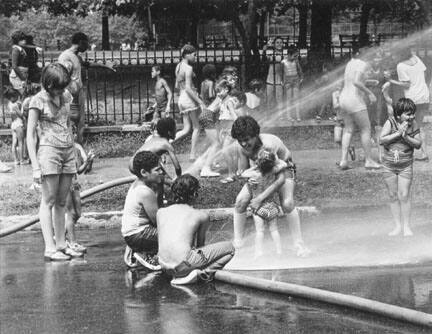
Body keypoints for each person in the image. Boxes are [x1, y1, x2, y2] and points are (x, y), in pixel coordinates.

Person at [27, 63, 83, 261]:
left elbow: (67, 124)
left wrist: (74, 151)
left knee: (62, 201)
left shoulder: (66, 96)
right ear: (48, 84)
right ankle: (49, 247)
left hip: (67, 150)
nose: (62, 91)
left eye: (63, 87)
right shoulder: (37, 101)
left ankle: (61, 243)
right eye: (58, 87)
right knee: (48, 200)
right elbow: (30, 135)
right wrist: (35, 167)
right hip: (49, 152)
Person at [230, 116, 309, 257]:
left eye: (247, 139)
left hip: (283, 168)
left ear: (255, 135)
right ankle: (238, 244)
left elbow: (277, 179)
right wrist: (246, 176)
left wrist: (259, 198)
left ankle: (299, 244)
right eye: (240, 140)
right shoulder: (241, 147)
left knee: (287, 203)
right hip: (260, 171)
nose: (243, 143)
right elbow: (243, 170)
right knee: (240, 201)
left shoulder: (268, 145)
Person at [157, 174, 235, 285]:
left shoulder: (161, 212)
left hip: (163, 265)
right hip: (182, 266)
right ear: (194, 194)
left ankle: (185, 273)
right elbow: (200, 246)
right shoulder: (200, 215)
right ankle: (204, 274)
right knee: (230, 248)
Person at [58, 32, 115, 144]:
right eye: (86, 43)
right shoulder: (65, 56)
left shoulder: (76, 56)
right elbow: (62, 76)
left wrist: (105, 65)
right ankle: (69, 145)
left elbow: (87, 64)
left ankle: (79, 145)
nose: (87, 46)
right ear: (80, 42)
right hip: (69, 95)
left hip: (78, 92)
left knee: (80, 121)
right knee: (70, 119)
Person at [379, 98, 421, 237]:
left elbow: (418, 144)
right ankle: (397, 226)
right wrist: (397, 133)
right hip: (389, 166)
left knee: (404, 195)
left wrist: (406, 137)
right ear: (398, 115)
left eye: (412, 113)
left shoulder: (413, 124)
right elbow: (381, 139)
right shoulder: (390, 122)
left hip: (405, 166)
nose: (412, 116)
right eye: (408, 114)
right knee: (393, 195)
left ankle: (407, 227)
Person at [338, 45, 381, 170]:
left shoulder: (350, 63)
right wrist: (370, 93)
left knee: (348, 129)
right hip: (354, 100)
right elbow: (356, 82)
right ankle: (369, 160)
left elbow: (352, 81)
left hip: (343, 99)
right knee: (365, 129)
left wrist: (369, 83)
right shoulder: (362, 64)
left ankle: (343, 161)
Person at [385, 47, 430, 162]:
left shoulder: (401, 66)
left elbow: (406, 85)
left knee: (404, 126)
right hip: (424, 96)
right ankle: (424, 154)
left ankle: (400, 152)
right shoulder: (416, 59)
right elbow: (423, 74)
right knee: (419, 126)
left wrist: (390, 80)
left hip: (412, 98)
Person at [122, 151, 164, 270]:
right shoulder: (145, 192)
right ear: (144, 172)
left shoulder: (137, 184)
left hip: (131, 234)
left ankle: (138, 250)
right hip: (138, 235)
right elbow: (158, 222)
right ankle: (146, 254)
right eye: (157, 170)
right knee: (175, 234)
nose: (161, 172)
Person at [241, 149, 285, 258]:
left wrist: (254, 167)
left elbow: (243, 174)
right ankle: (279, 251)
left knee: (259, 231)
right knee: (274, 229)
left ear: (258, 163)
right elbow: (283, 164)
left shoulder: (254, 175)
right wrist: (276, 161)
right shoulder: (273, 171)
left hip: (258, 207)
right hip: (271, 205)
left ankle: (258, 253)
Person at [129, 118, 181, 205]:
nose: (176, 131)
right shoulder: (166, 144)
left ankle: (153, 200)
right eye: (175, 129)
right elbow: (177, 166)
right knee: (159, 181)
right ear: (169, 132)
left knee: (159, 176)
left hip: (133, 162)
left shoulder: (154, 138)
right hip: (139, 165)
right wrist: (179, 178)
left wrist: (170, 181)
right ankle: (158, 207)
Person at [174, 44, 205, 161]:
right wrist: (200, 101)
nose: (195, 57)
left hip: (181, 98)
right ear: (187, 55)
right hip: (188, 98)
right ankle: (192, 154)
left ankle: (166, 143)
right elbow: (188, 88)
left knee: (186, 129)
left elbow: (178, 85)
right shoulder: (188, 68)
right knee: (197, 127)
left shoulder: (178, 67)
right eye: (194, 54)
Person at [65, 137, 95, 253]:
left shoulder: (75, 148)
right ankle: (72, 242)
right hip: (65, 183)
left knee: (78, 213)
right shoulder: (60, 149)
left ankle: (61, 236)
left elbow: (79, 170)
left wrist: (88, 161)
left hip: (75, 183)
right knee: (71, 213)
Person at [4, 86, 27, 165]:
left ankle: (15, 160)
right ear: (12, 97)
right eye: (16, 97)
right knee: (21, 142)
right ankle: (21, 160)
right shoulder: (15, 105)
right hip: (18, 124)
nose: (18, 98)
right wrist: (23, 115)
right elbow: (20, 115)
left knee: (14, 143)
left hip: (13, 124)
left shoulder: (9, 104)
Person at [282, 46, 303, 121]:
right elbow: (282, 72)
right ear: (289, 54)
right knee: (288, 99)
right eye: (294, 56)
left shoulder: (296, 61)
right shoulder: (283, 62)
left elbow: (299, 69)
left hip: (295, 79)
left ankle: (298, 115)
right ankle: (289, 116)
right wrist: (282, 81)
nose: (295, 57)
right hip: (287, 80)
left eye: (296, 56)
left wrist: (301, 77)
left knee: (296, 98)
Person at [264, 37, 284, 110]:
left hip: (279, 80)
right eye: (277, 42)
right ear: (274, 44)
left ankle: (280, 116)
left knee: (279, 99)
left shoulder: (284, 54)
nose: (279, 44)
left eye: (280, 42)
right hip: (270, 79)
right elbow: (265, 59)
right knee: (269, 99)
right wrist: (265, 48)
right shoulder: (271, 54)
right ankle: (269, 115)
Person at [9, 30, 29, 95]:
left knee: (24, 96)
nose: (24, 41)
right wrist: (22, 79)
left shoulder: (20, 49)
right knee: (24, 95)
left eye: (24, 39)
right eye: (22, 40)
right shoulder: (16, 50)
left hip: (22, 75)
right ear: (17, 40)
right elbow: (14, 66)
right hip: (17, 77)